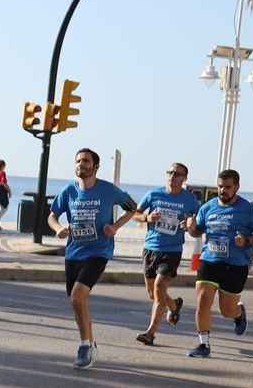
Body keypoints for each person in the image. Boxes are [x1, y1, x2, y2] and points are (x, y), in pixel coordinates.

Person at [47, 148, 138, 368]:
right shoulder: (69, 191)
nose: (82, 164)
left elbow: (133, 208)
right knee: (79, 301)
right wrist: (58, 228)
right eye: (78, 161)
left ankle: (85, 346)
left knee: (77, 298)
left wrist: (115, 227)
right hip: (73, 253)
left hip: (98, 252)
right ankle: (91, 345)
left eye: (86, 161)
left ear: (95, 166)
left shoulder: (108, 190)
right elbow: (52, 216)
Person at [183, 169, 253, 359]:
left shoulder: (247, 209)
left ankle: (238, 313)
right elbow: (197, 232)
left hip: (236, 264)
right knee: (203, 300)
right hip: (210, 260)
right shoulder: (208, 207)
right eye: (220, 186)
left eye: (228, 187)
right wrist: (191, 228)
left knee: (226, 310)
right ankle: (203, 344)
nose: (223, 190)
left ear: (237, 187)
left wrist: (245, 241)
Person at [132, 162, 202, 346]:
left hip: (172, 250)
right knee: (152, 294)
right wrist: (147, 218)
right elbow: (135, 214)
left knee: (159, 288)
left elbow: (198, 226)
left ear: (185, 178)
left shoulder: (190, 201)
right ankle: (173, 305)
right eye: (170, 172)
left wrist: (189, 224)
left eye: (177, 174)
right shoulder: (154, 194)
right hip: (150, 248)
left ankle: (150, 333)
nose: (172, 176)